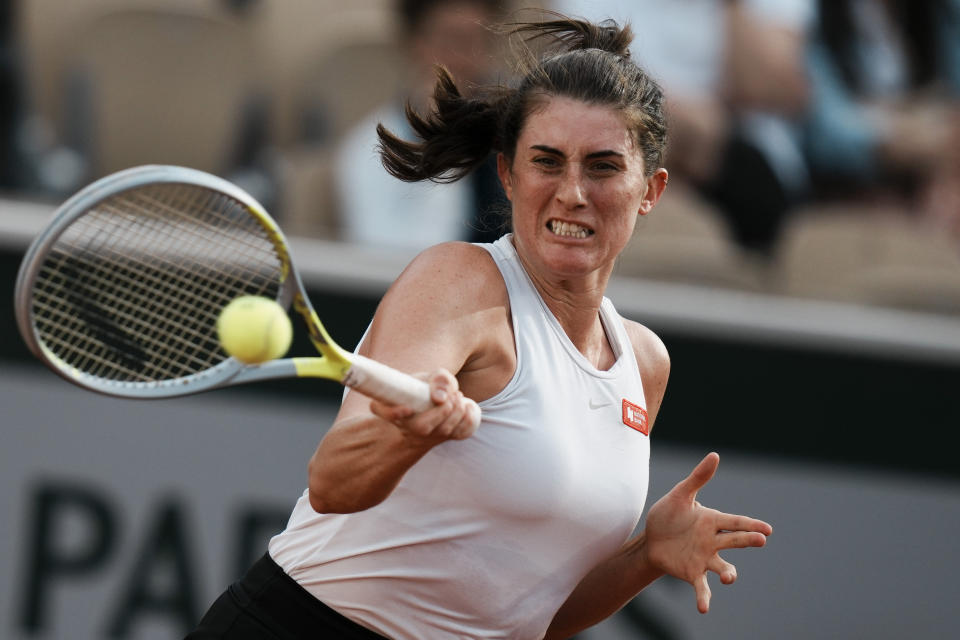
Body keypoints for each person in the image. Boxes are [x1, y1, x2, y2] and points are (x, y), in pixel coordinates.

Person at [187, 15, 773, 640]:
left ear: (650, 189)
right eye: (547, 161)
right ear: (508, 175)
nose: (572, 191)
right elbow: (333, 483)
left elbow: (531, 618)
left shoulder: (643, 363)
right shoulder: (458, 282)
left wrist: (645, 555)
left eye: (602, 167)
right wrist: (411, 437)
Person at [551, 0, 815, 254]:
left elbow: (771, 89)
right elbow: (583, 85)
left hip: (743, 163)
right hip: (634, 141)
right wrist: (677, 117)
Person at [333, 0, 507, 251]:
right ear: (414, 44)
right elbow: (393, 259)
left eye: (480, 43)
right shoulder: (369, 148)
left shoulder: (508, 137)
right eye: (453, 41)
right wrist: (442, 142)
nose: (467, 61)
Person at [802, 0, 960, 235]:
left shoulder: (938, 12)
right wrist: (905, 133)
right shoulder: (815, 12)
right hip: (841, 196)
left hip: (925, 182)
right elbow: (823, 126)